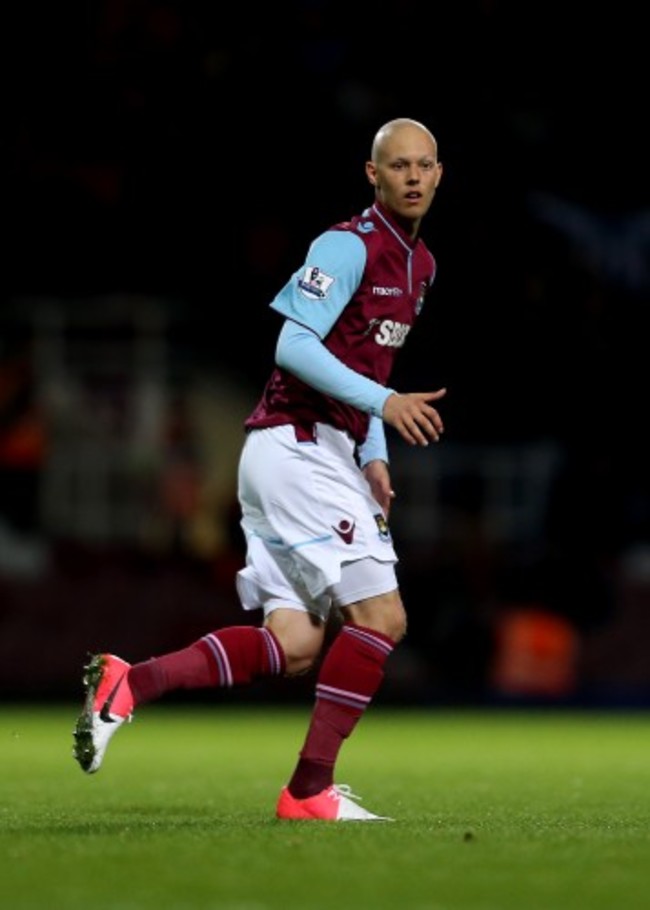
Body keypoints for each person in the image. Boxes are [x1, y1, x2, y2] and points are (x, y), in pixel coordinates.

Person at [73, 116, 446, 822]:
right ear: (374, 175)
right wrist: (385, 405)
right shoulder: (345, 247)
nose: (414, 177)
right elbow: (294, 347)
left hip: (318, 452)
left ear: (440, 173)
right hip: (294, 447)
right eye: (399, 166)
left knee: (297, 645)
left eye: (425, 165)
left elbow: (365, 366)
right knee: (382, 615)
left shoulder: (420, 268)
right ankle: (308, 792)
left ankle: (130, 683)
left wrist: (373, 454)